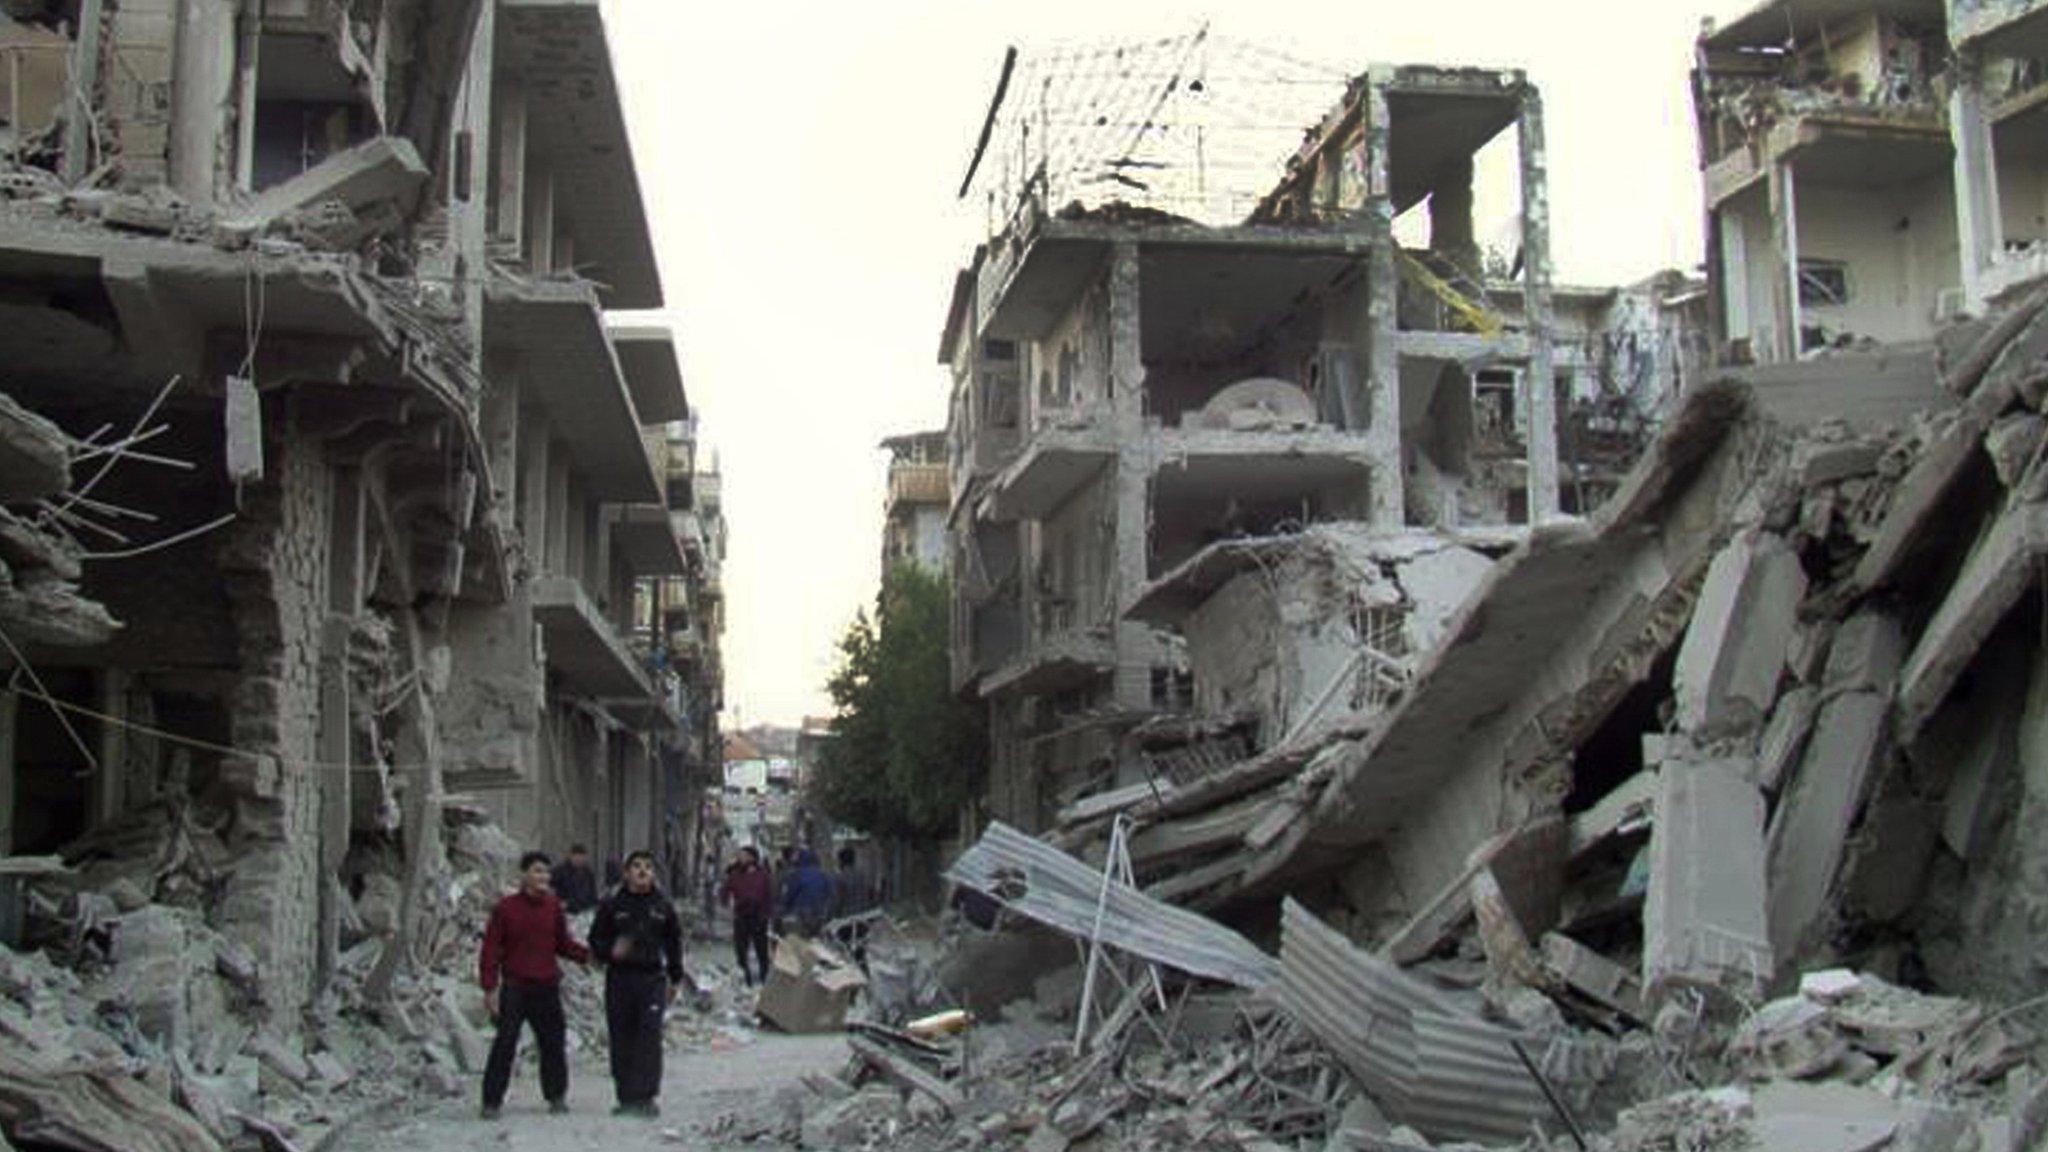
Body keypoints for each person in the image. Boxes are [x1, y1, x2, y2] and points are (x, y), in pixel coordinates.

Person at [478, 851, 591, 1119]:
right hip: (515, 987)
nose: (543, 877)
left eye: (546, 872)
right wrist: (489, 987)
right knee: (505, 1043)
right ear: (524, 875)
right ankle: (491, 1101)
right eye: (538, 871)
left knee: (552, 1042)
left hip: (546, 986)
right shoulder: (506, 909)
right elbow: (491, 950)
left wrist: (589, 956)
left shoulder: (553, 908)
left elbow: (562, 944)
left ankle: (556, 1096)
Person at [587, 851, 684, 1118]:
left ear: (654, 873)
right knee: (622, 1036)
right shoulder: (613, 905)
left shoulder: (662, 906)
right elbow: (595, 940)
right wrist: (610, 952)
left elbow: (674, 943)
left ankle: (646, 1096)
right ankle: (626, 1096)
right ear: (626, 872)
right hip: (620, 979)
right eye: (637, 866)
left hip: (651, 978)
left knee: (649, 1035)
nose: (643, 872)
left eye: (648, 867)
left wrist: (676, 978)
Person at [721, 846, 773, 986]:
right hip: (741, 915)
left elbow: (769, 895)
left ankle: (764, 975)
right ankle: (745, 976)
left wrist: (767, 914)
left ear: (752, 858)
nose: (740, 858)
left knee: (761, 947)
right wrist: (727, 904)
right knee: (741, 948)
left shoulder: (763, 875)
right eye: (740, 855)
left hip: (759, 916)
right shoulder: (735, 874)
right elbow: (725, 891)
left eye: (744, 855)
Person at [779, 847, 834, 939]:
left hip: (800, 913)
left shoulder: (796, 875)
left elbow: (789, 894)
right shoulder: (823, 874)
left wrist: (783, 910)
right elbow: (830, 893)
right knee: (816, 940)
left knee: (801, 941)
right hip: (819, 913)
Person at [549, 844, 599, 914]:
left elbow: (593, 892)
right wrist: (558, 902)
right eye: (576, 857)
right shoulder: (560, 871)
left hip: (584, 911)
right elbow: (550, 887)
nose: (579, 860)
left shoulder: (588, 873)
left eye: (582, 858)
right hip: (566, 911)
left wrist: (594, 905)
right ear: (571, 856)